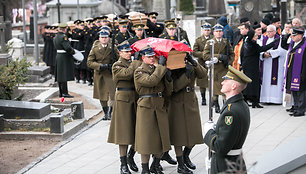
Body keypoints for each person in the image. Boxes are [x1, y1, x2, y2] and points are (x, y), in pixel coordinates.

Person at [203, 65, 252, 174]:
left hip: (225, 166)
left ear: (234, 86)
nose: (222, 82)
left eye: (226, 80)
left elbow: (220, 147)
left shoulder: (231, 111)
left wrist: (208, 132)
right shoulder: (240, 104)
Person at [133, 45, 173, 174]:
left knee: (161, 136)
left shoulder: (157, 70)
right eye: (149, 57)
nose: (152, 59)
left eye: (153, 56)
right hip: (146, 106)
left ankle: (155, 164)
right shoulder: (139, 71)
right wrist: (161, 68)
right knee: (146, 139)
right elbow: (151, 81)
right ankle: (145, 168)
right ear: (143, 58)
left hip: (159, 104)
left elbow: (168, 91)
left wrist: (168, 79)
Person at [168, 53, 207, 174]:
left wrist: (194, 63)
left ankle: (186, 155)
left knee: (195, 133)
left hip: (190, 101)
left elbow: (203, 74)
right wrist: (186, 74)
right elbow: (175, 87)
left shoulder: (190, 65)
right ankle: (180, 164)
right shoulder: (172, 66)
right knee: (178, 135)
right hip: (177, 102)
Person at [107, 41, 142, 174]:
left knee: (137, 130)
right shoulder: (117, 65)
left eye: (129, 51)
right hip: (123, 99)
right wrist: (135, 61)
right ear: (120, 52)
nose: (129, 53)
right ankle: (123, 164)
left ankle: (130, 156)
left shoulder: (134, 63)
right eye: (126, 51)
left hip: (136, 96)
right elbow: (127, 74)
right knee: (124, 133)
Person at [87, 28, 119, 120]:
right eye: (102, 37)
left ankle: (110, 112)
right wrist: (101, 66)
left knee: (112, 94)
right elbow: (89, 62)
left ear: (108, 38)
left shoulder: (112, 47)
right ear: (99, 38)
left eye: (106, 37)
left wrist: (114, 65)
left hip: (110, 73)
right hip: (100, 73)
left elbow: (118, 58)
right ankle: (105, 112)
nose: (104, 39)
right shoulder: (95, 48)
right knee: (102, 95)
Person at [203, 24, 235, 113]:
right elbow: (205, 55)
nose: (219, 33)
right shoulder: (210, 42)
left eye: (220, 31)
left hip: (224, 68)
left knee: (225, 87)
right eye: (217, 31)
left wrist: (228, 62)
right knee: (215, 89)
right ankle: (216, 104)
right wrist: (218, 56)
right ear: (214, 33)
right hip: (215, 68)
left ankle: (225, 105)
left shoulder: (226, 42)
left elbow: (232, 54)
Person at [242, 30, 278, 108]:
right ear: (251, 37)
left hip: (250, 65)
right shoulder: (250, 45)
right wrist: (273, 43)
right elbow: (262, 49)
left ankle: (254, 101)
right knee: (251, 84)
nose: (257, 36)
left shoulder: (248, 43)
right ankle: (249, 100)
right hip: (250, 66)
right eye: (255, 35)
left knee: (253, 83)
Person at [260, 25, 286, 104]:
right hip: (266, 64)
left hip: (275, 63)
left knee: (275, 81)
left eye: (270, 31)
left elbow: (282, 51)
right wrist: (263, 54)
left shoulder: (279, 39)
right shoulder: (264, 40)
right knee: (266, 80)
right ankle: (266, 99)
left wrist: (270, 53)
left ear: (275, 32)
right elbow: (260, 49)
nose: (268, 33)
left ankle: (275, 99)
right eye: (267, 31)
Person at [284, 27, 306, 117]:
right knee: (294, 90)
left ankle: (301, 109)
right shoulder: (293, 44)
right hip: (292, 71)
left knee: (301, 92)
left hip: (301, 72)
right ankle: (296, 107)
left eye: (294, 35)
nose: (292, 37)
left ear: (300, 36)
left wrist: (303, 74)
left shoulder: (304, 46)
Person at [53, 23, 75, 98]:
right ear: (65, 29)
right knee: (64, 75)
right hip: (64, 57)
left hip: (58, 56)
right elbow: (67, 48)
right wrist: (73, 52)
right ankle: (64, 93)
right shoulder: (63, 37)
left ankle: (61, 92)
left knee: (60, 75)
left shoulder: (56, 37)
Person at [193, 22, 212, 105]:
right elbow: (194, 52)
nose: (207, 32)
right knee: (202, 81)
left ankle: (214, 98)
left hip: (212, 62)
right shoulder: (198, 40)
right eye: (205, 30)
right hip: (202, 62)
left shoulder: (213, 39)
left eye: (208, 30)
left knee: (212, 81)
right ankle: (203, 97)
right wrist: (204, 55)